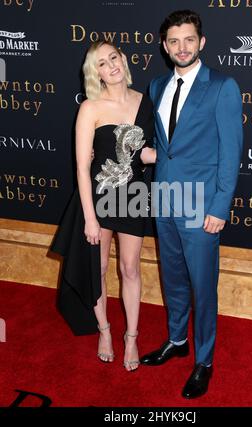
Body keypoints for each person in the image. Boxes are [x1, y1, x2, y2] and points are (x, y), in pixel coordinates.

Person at [140, 10, 243, 397]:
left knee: (203, 285)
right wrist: (151, 156)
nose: (181, 47)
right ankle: (176, 340)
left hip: (202, 207)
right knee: (174, 279)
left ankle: (204, 360)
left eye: (188, 40)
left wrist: (220, 207)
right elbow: (169, 146)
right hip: (164, 199)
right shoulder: (156, 86)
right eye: (173, 41)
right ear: (164, 47)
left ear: (201, 42)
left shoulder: (222, 86)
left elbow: (231, 153)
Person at [51, 40, 156, 372]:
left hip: (134, 195)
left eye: (114, 57)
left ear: (123, 60)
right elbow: (82, 167)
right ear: (94, 72)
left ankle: (132, 337)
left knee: (130, 268)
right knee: (97, 270)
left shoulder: (146, 101)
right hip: (98, 196)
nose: (110, 66)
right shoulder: (90, 108)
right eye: (101, 63)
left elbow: (147, 153)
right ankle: (105, 331)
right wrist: (90, 218)